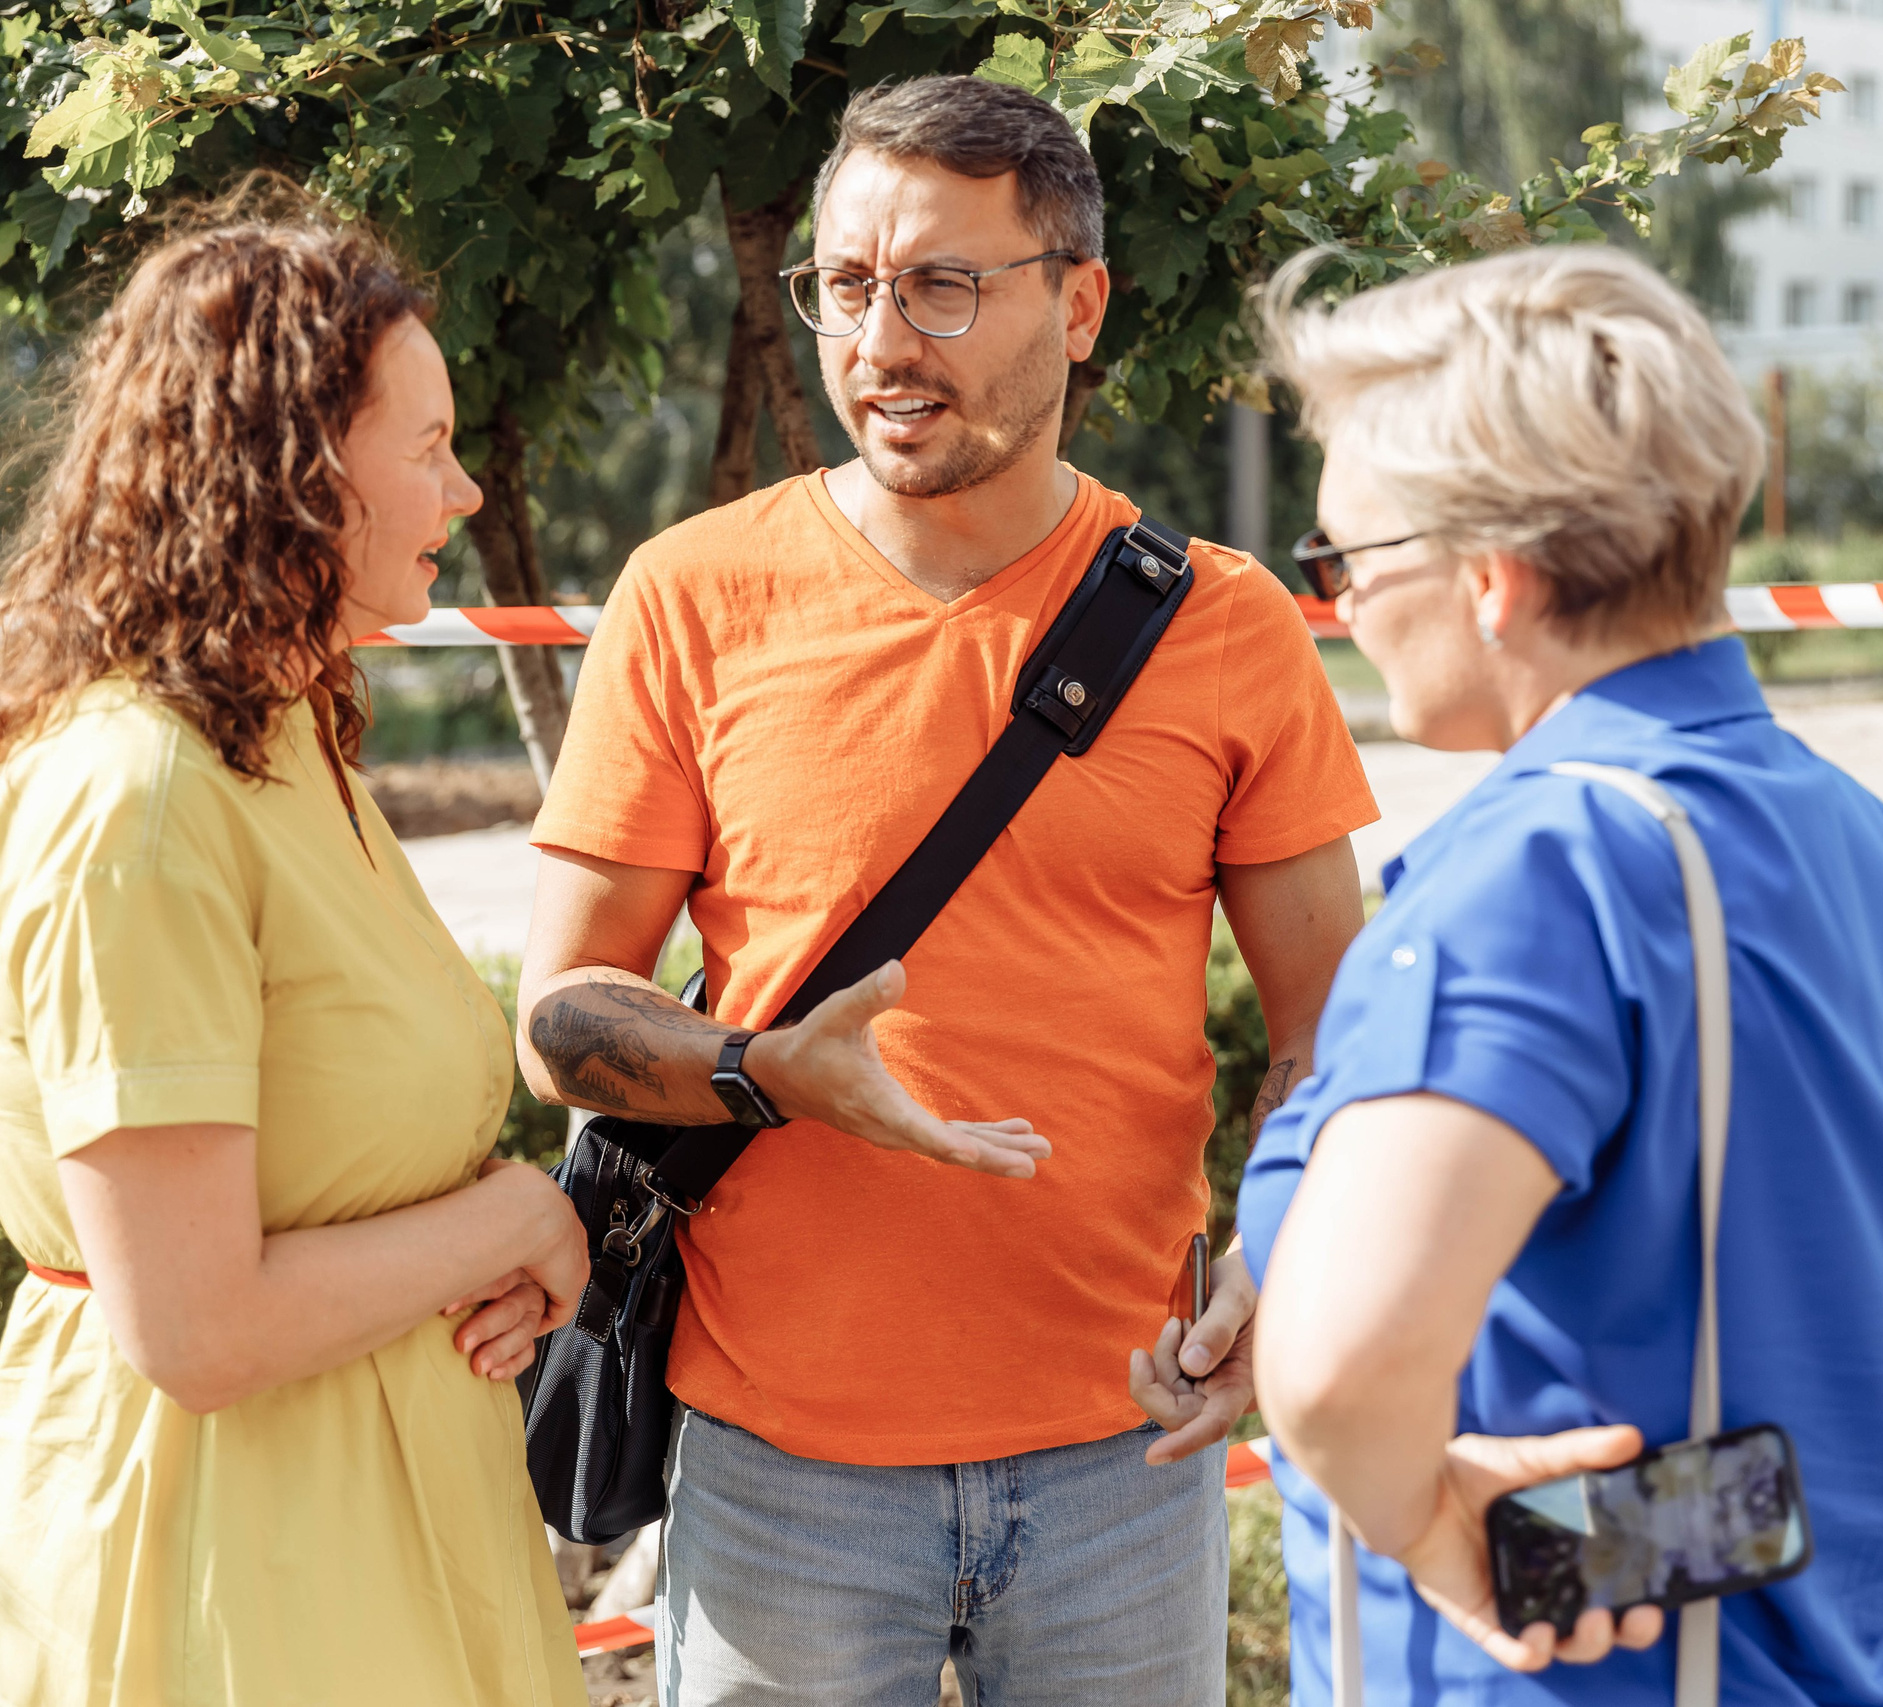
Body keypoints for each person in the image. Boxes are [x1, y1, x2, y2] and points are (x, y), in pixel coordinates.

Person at [515, 74, 1379, 1705]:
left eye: (944, 285)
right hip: (781, 1469)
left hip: (1127, 1451)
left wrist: (1285, 1245)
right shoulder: (691, 597)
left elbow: (1338, 1021)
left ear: (1082, 303)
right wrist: (765, 1073)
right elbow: (557, 1022)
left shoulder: (1228, 624)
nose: (885, 343)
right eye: (848, 286)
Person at [1235, 245, 1883, 1705]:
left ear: (1490, 576)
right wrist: (1830, 1294)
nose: (1339, 604)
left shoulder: (1529, 874)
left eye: (1342, 559)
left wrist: (1435, 1521)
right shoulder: (1854, 835)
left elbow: (1344, 1374)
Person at [0, 200, 590, 1707]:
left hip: (350, 1537)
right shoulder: (138, 799)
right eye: (425, 445)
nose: (468, 486)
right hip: (220, 1569)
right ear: (293, 469)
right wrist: (516, 1216)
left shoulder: (280, 737)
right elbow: (199, 1330)